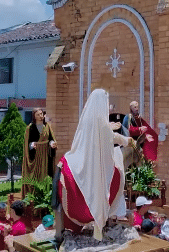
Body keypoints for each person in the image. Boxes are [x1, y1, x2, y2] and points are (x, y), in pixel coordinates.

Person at [53, 89, 134, 241]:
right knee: (115, 175)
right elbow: (111, 137)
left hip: (77, 157)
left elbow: (102, 132)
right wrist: (127, 140)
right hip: (93, 163)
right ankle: (99, 220)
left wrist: (109, 126)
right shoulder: (101, 124)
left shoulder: (88, 118)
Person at [23, 108, 57, 182]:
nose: (40, 116)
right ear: (34, 116)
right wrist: (32, 145)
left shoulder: (47, 126)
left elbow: (51, 138)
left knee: (47, 173)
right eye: (38, 115)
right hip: (36, 156)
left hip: (46, 154)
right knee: (37, 176)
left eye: (41, 114)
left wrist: (52, 143)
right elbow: (27, 143)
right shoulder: (30, 128)